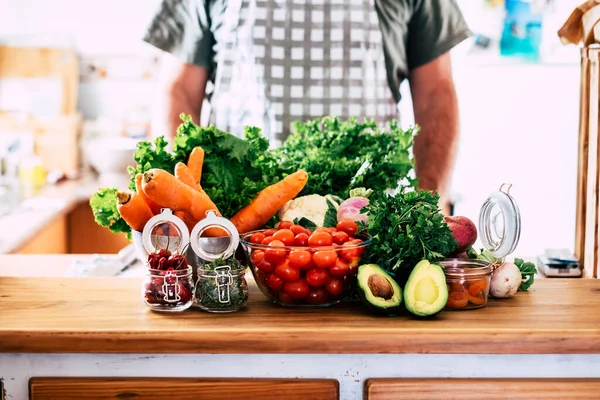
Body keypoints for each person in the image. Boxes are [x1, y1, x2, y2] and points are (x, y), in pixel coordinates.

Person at [143, 0, 470, 208]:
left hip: (369, 225)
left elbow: (435, 95)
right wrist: (185, 203)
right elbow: (179, 91)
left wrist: (429, 203)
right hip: (236, 221)